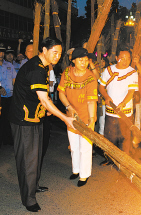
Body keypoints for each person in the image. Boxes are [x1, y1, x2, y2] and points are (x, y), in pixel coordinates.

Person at [9, 37, 74, 212]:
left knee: (36, 156)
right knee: (28, 160)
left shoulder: (44, 66)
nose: (58, 56)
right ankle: (28, 199)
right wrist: (65, 118)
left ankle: (33, 185)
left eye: (60, 53)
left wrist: (44, 110)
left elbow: (35, 96)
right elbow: (45, 100)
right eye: (55, 52)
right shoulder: (37, 69)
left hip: (34, 117)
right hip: (23, 121)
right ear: (44, 50)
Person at [58, 47, 97, 187]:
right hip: (71, 117)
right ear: (73, 60)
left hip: (86, 117)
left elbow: (91, 101)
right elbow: (61, 93)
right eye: (81, 59)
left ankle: (84, 174)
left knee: (84, 148)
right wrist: (68, 106)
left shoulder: (90, 77)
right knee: (73, 146)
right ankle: (76, 170)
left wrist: (92, 121)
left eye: (86, 59)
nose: (84, 62)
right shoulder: (67, 73)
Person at [99, 45, 138, 163]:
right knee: (110, 136)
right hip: (110, 110)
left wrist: (123, 103)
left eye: (128, 58)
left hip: (125, 112)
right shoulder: (108, 70)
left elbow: (131, 91)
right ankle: (109, 159)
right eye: (122, 58)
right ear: (116, 57)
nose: (125, 60)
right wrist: (106, 97)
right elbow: (101, 87)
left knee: (125, 137)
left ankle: (123, 162)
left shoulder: (132, 72)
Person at [0, 43, 17, 146]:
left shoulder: (9, 65)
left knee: (8, 118)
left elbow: (14, 80)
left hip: (9, 96)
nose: (1, 54)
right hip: (0, 98)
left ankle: (7, 139)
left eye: (2, 52)